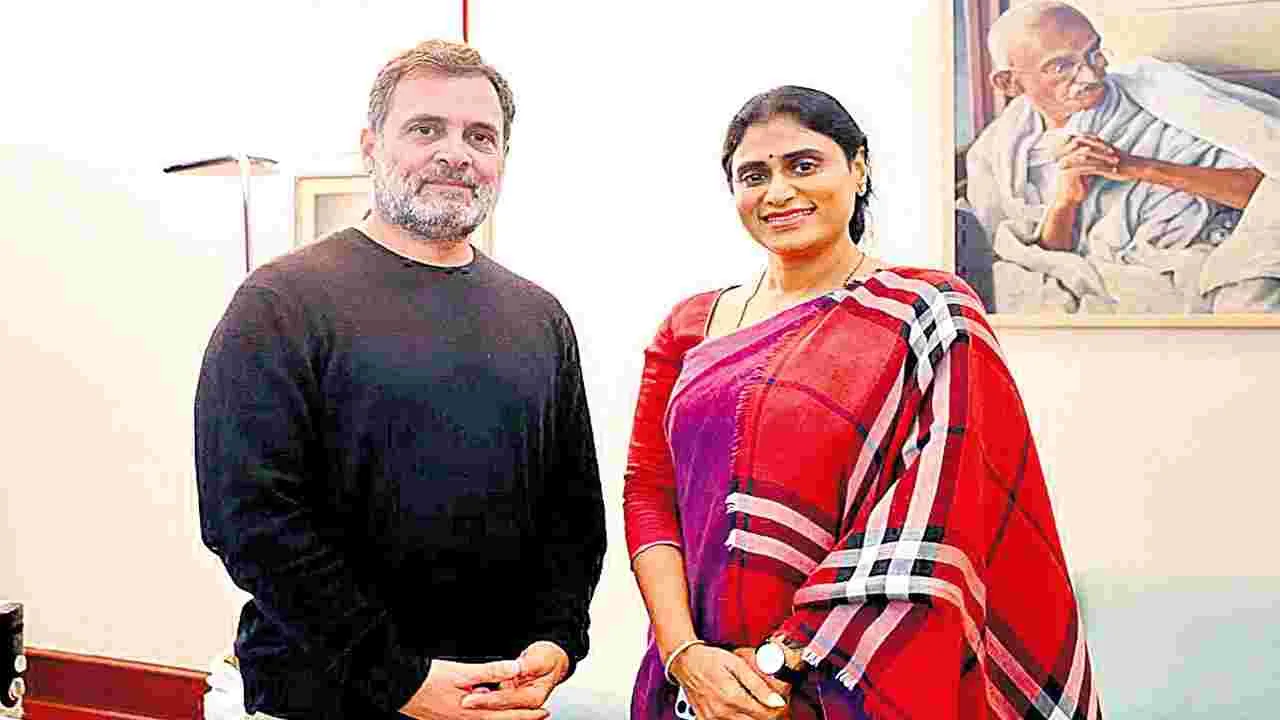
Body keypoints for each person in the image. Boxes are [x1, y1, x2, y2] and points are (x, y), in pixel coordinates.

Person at [623, 86, 1101, 719]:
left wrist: (779, 661)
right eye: (754, 175)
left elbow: (935, 513)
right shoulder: (690, 325)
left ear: (858, 168)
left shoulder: (927, 313)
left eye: (803, 165)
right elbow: (648, 491)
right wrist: (685, 654)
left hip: (855, 675)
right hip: (696, 684)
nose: (779, 192)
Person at [195, 39, 606, 720]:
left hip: (497, 696)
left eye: (480, 136)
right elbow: (250, 520)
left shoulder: (539, 317)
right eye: (425, 129)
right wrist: (397, 678)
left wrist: (557, 639)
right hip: (321, 699)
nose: (456, 153)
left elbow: (573, 508)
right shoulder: (280, 303)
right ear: (370, 145)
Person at [965, 1, 1280, 314]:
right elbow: (1045, 260)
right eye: (1061, 67)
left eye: (1093, 54)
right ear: (1009, 83)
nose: (1091, 76)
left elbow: (1266, 189)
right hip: (1110, 279)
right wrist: (1065, 203)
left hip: (1206, 255)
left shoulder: (1161, 97)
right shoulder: (1000, 150)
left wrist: (1135, 167)